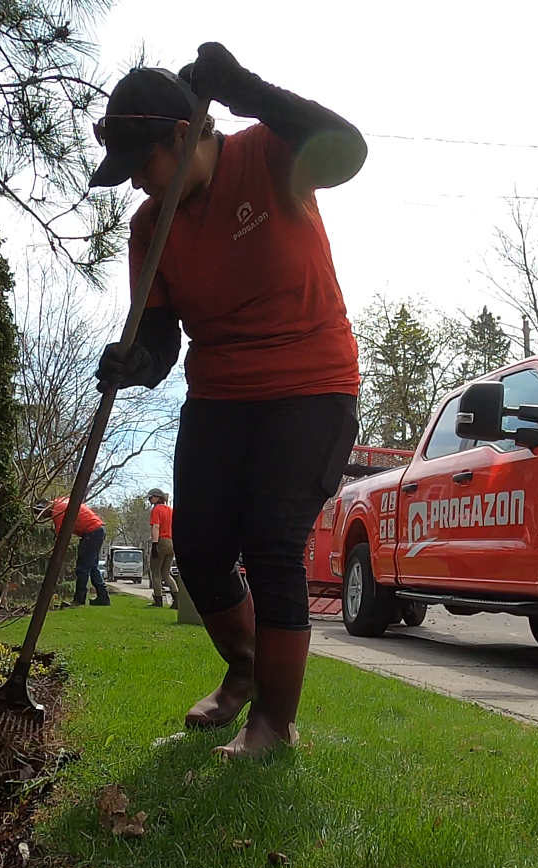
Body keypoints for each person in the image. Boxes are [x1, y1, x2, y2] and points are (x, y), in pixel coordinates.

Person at [90, 43, 366, 758]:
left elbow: (347, 150)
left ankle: (274, 723)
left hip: (311, 385)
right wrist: (136, 360)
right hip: (221, 395)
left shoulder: (267, 155)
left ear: (183, 138)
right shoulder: (151, 228)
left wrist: (246, 87)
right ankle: (242, 671)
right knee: (203, 547)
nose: (139, 189)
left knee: (272, 544)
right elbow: (159, 332)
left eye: (144, 166)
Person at [38, 497, 110, 606]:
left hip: (92, 532)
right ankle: (103, 597)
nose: (43, 517)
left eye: (41, 513)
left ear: (45, 508)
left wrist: (55, 555)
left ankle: (79, 600)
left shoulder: (58, 511)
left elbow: (62, 536)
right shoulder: (61, 501)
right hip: (97, 529)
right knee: (92, 567)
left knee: (83, 568)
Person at [146, 488, 181, 608]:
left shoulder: (156, 510)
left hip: (161, 541)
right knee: (166, 573)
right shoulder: (170, 510)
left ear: (157, 498)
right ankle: (177, 600)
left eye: (151, 497)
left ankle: (158, 600)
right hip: (171, 542)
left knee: (156, 573)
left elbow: (156, 527)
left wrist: (155, 544)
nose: (150, 499)